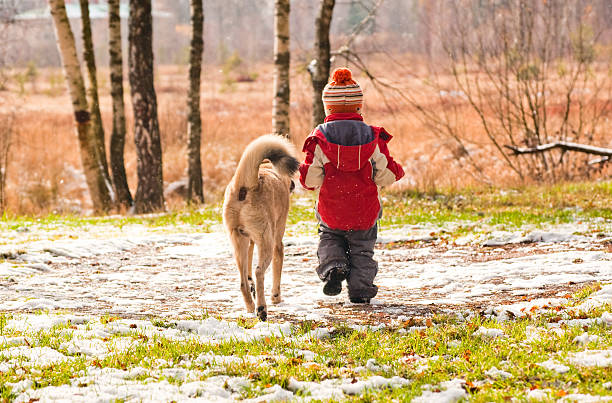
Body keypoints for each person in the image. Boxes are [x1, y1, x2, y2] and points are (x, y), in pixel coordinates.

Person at [299, 67, 405, 303]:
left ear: (328, 108)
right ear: (359, 107)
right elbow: (386, 172)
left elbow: (310, 179)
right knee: (362, 251)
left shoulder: (319, 137)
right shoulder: (371, 136)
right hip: (364, 211)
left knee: (329, 239)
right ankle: (360, 291)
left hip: (332, 209)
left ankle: (334, 268)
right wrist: (395, 173)